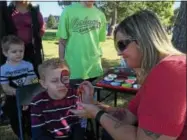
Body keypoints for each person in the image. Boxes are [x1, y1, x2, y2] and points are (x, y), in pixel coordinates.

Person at [70, 10, 186, 140]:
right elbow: (129, 116)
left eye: (122, 45)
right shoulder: (160, 70)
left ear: (143, 40)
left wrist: (96, 113)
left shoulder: (170, 70)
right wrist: (93, 105)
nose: (119, 53)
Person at [31, 58, 94, 140]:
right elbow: (38, 134)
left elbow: (79, 123)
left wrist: (87, 99)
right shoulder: (38, 103)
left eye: (65, 79)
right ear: (44, 84)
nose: (61, 84)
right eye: (54, 81)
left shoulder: (74, 96)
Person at [56, 1, 106, 84]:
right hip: (73, 68)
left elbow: (97, 41)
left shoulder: (100, 14)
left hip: (94, 67)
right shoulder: (68, 11)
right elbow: (62, 41)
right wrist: (62, 62)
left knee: (92, 95)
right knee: (74, 95)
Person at [0, 35, 38, 138]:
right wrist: (20, 94)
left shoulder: (28, 65)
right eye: (14, 52)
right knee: (15, 117)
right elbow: (6, 88)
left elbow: (33, 79)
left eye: (21, 51)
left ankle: (32, 133)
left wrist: (27, 93)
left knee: (32, 115)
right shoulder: (3, 69)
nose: (18, 54)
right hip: (13, 97)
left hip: (28, 95)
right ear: (5, 53)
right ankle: (19, 133)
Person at [3, 1, 45, 76]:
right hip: (14, 50)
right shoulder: (8, 11)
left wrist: (36, 40)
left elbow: (41, 29)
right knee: (16, 74)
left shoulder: (34, 11)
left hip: (32, 49)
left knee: (34, 73)